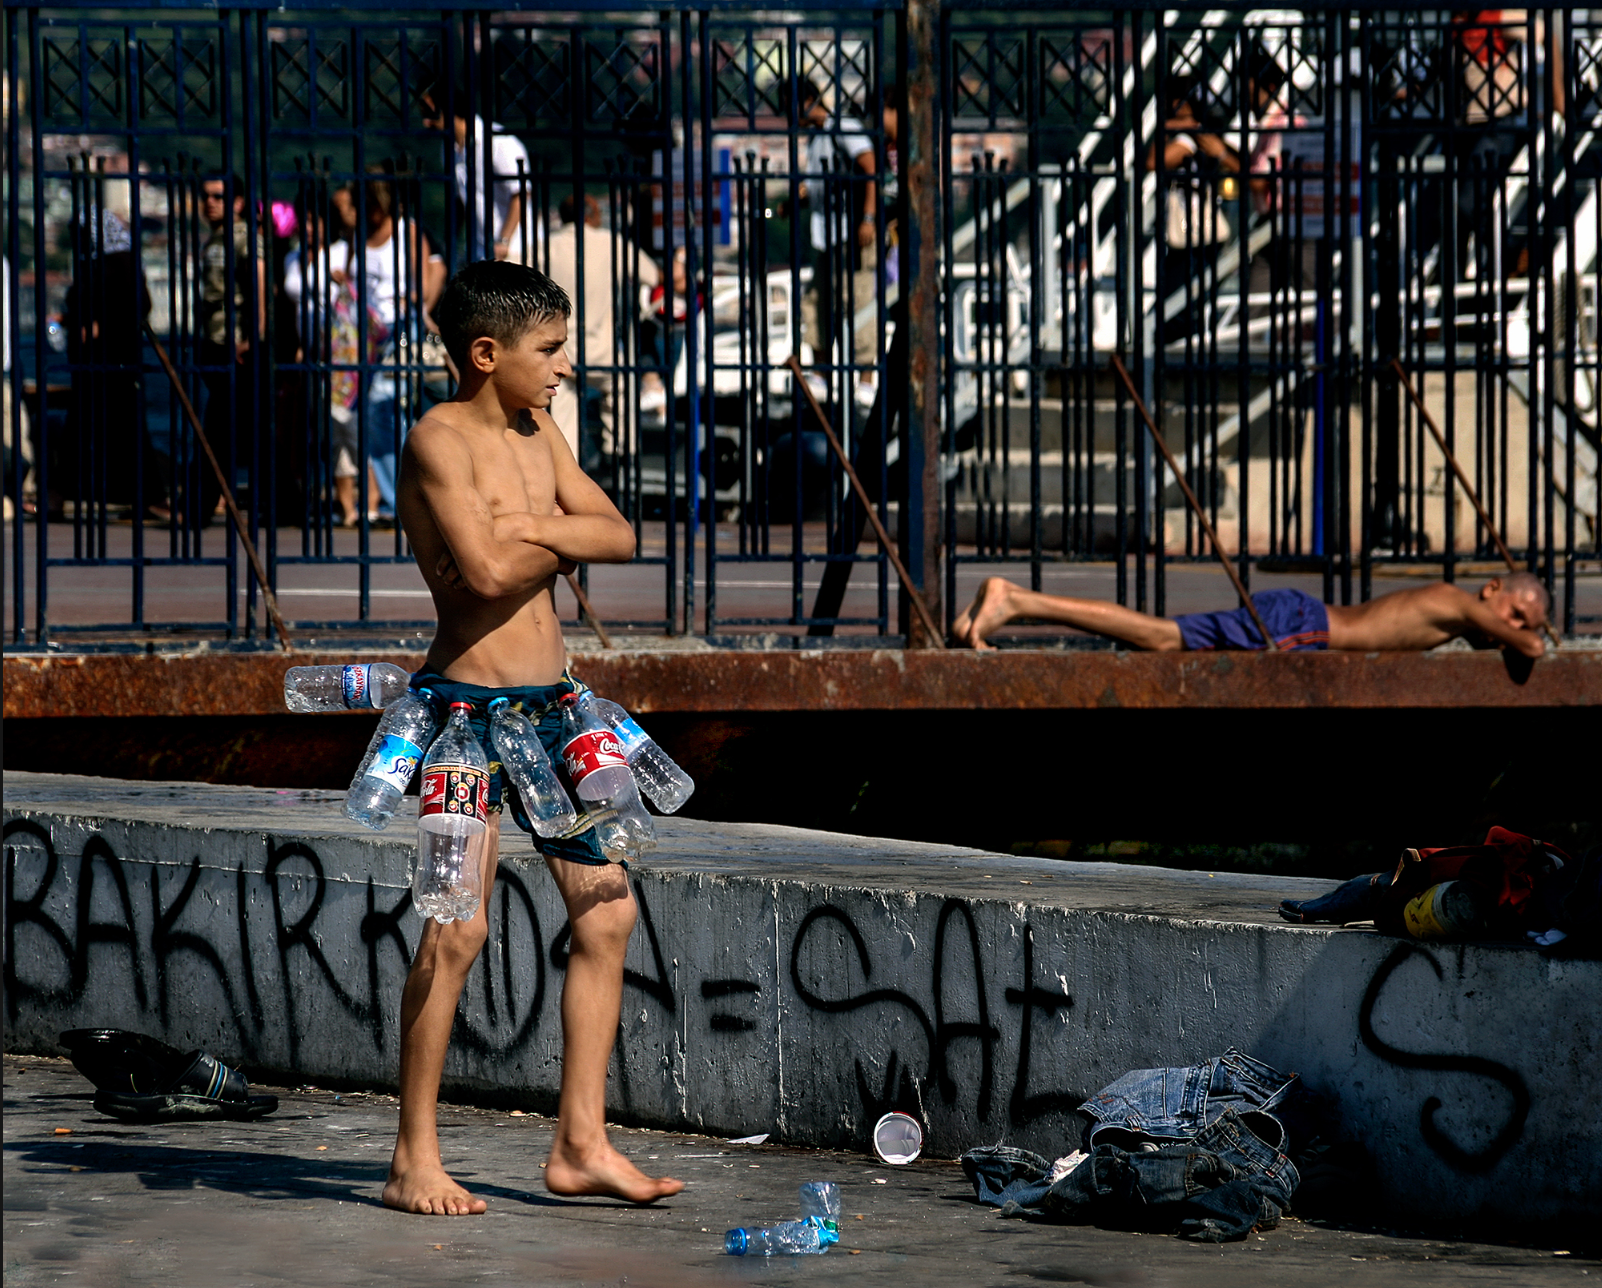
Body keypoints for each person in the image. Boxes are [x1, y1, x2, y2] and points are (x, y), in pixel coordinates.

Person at [385, 258, 683, 1215]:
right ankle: (412, 1158)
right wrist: (549, 531)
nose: (563, 369)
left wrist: (533, 530)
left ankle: (581, 1143)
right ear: (487, 352)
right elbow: (477, 572)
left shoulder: (537, 429)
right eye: (549, 350)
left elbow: (621, 533)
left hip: (556, 716)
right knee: (457, 928)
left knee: (606, 910)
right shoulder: (437, 438)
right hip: (464, 726)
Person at [951, 573, 1550, 659]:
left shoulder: (1458, 613)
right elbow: (1527, 651)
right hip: (1301, 628)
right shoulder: (1459, 600)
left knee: (1163, 636)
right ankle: (1018, 600)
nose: (1514, 625)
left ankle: (1011, 602)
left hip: (1300, 619)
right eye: (1517, 612)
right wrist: (1535, 637)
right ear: (1493, 587)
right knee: (1162, 638)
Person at [531, 192, 659, 463]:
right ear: (592, 216)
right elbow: (651, 275)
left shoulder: (545, 246)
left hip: (561, 348)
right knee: (622, 385)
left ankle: (568, 468)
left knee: (563, 405)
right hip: (602, 347)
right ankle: (620, 451)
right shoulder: (611, 243)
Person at [784, 77, 878, 375]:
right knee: (818, 303)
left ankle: (864, 378)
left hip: (850, 231)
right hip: (824, 234)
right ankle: (823, 374)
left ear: (807, 100)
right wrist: (787, 204)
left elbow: (869, 168)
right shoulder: (816, 137)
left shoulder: (843, 128)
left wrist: (867, 218)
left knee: (856, 302)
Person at [195, 174, 267, 527]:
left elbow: (258, 282)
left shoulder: (241, 237)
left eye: (218, 197)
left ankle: (199, 504)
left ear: (238, 202)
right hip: (217, 341)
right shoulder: (216, 239)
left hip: (235, 344)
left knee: (221, 426)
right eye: (206, 195)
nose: (210, 202)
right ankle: (280, 499)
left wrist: (253, 336)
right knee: (240, 427)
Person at [421, 89, 530, 260]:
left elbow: (521, 193)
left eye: (430, 114)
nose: (426, 122)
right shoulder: (448, 149)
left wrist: (503, 240)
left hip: (515, 249)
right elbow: (460, 201)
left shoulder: (498, 141)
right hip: (481, 250)